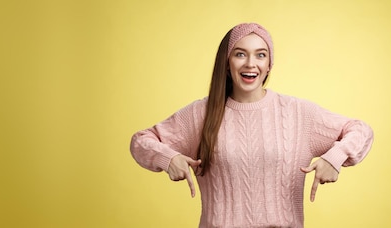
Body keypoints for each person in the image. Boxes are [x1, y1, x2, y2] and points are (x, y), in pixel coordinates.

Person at [130, 22, 374, 228]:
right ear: (227, 63)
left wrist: (335, 157)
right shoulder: (200, 114)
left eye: (260, 54)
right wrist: (168, 158)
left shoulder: (298, 114)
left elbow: (360, 130)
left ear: (269, 65)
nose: (250, 63)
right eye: (240, 54)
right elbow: (141, 140)